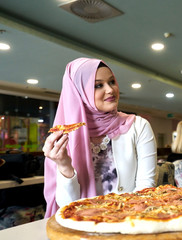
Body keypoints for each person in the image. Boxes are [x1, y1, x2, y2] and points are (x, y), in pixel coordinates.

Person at [43, 58, 157, 218]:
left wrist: (119, 220)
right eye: (98, 85)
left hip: (129, 221)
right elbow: (66, 205)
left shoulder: (138, 126)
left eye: (112, 82)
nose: (110, 90)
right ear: (80, 92)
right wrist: (64, 165)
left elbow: (146, 188)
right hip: (83, 225)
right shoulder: (63, 137)